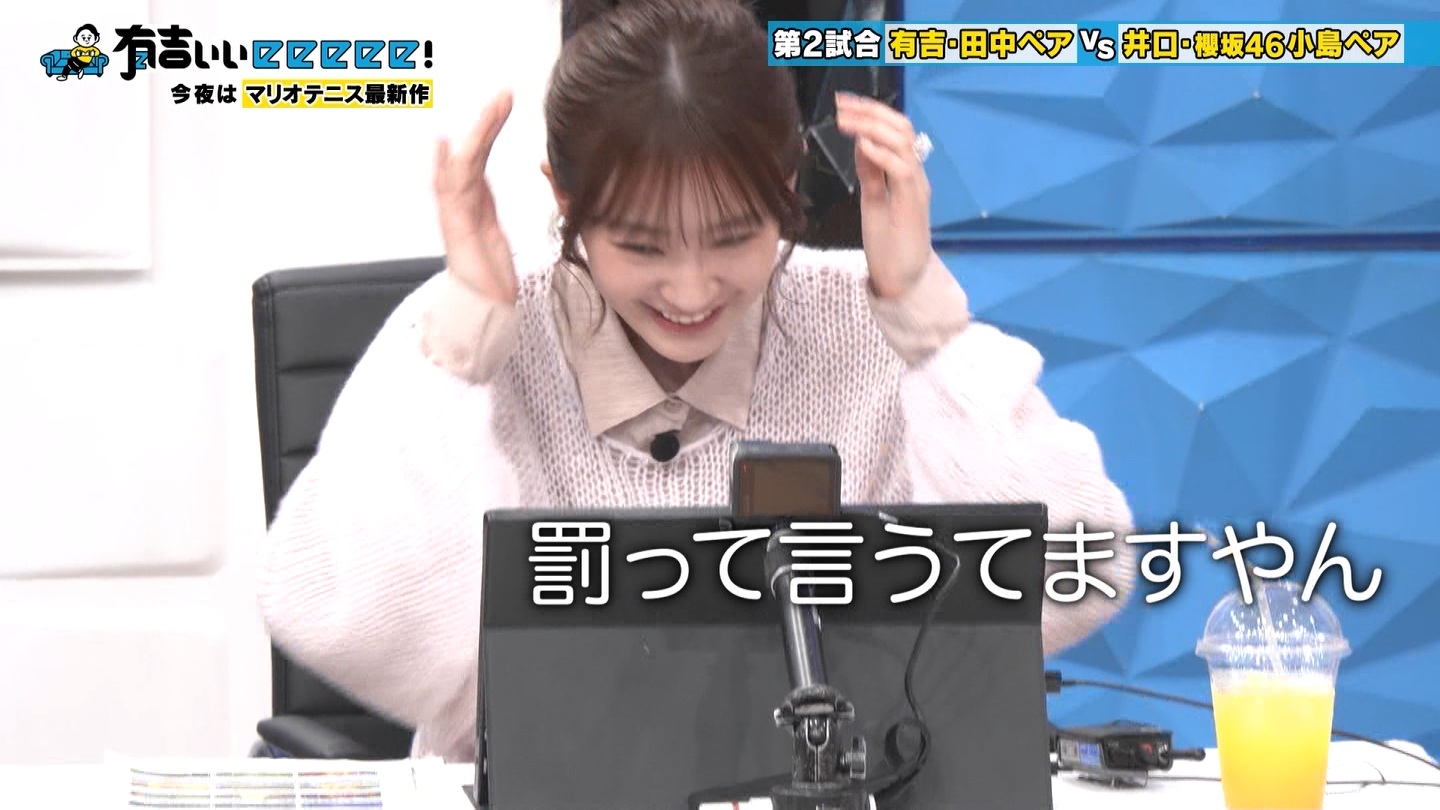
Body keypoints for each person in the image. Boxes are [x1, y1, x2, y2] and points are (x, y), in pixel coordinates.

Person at [257, 0, 1138, 763]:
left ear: (787, 189)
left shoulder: (868, 322)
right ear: (563, 197)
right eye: (641, 245)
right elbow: (342, 616)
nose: (689, 291)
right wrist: (464, 343)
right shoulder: (468, 330)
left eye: (734, 238)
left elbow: (1081, 574)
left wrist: (924, 321)